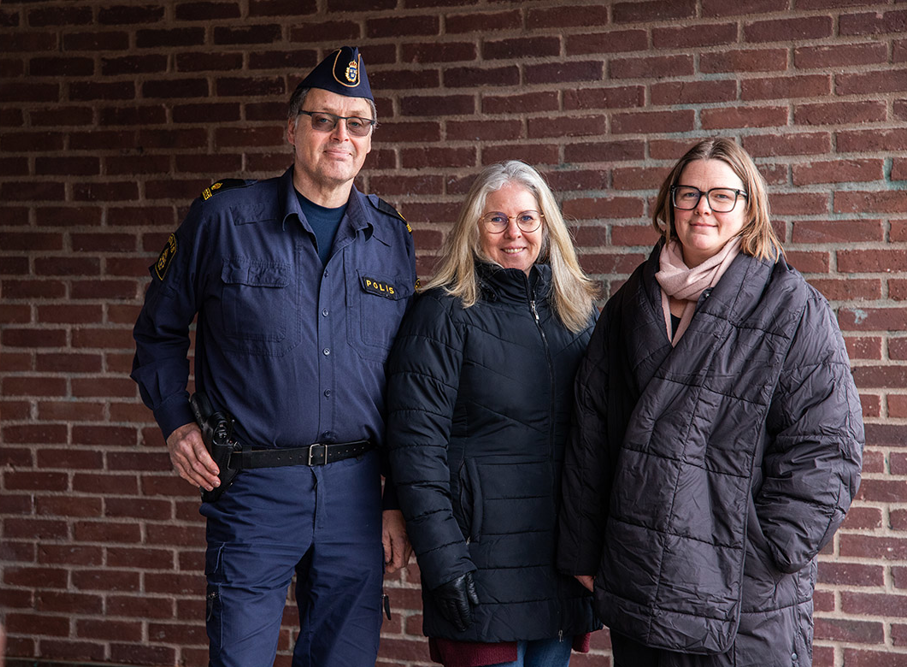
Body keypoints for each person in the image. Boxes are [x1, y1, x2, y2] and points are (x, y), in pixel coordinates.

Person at [130, 46, 416, 667]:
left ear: (370, 139)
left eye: (357, 122)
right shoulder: (223, 218)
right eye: (323, 119)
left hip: (358, 493)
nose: (341, 134)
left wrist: (395, 498)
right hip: (256, 489)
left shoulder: (392, 239)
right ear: (291, 129)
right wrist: (176, 423)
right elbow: (157, 331)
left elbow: (401, 382)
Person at [557, 138, 864, 667]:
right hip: (641, 585)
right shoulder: (629, 305)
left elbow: (827, 448)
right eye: (690, 193)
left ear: (749, 209)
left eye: (723, 195)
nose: (703, 208)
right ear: (669, 204)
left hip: (741, 599)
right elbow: (591, 436)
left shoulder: (792, 307)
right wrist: (584, 551)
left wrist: (768, 551)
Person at [386, 161, 601, 667]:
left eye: (528, 219)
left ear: (547, 227)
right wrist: (443, 563)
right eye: (496, 220)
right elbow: (416, 452)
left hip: (559, 567)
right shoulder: (442, 313)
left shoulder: (579, 313)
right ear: (473, 228)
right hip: (478, 564)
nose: (514, 234)